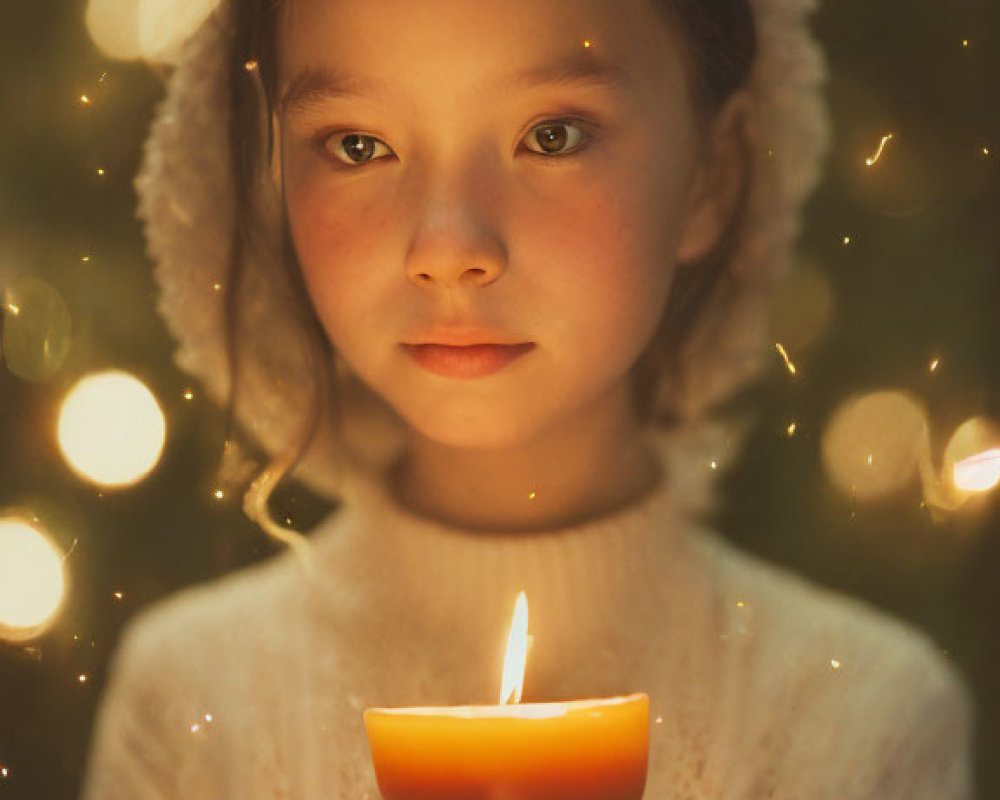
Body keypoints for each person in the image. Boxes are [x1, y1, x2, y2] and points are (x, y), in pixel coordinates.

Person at [81, 0, 976, 796]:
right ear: (275, 178)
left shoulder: (859, 719)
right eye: (359, 146)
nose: (448, 245)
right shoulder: (196, 699)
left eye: (552, 135)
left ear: (714, 171)